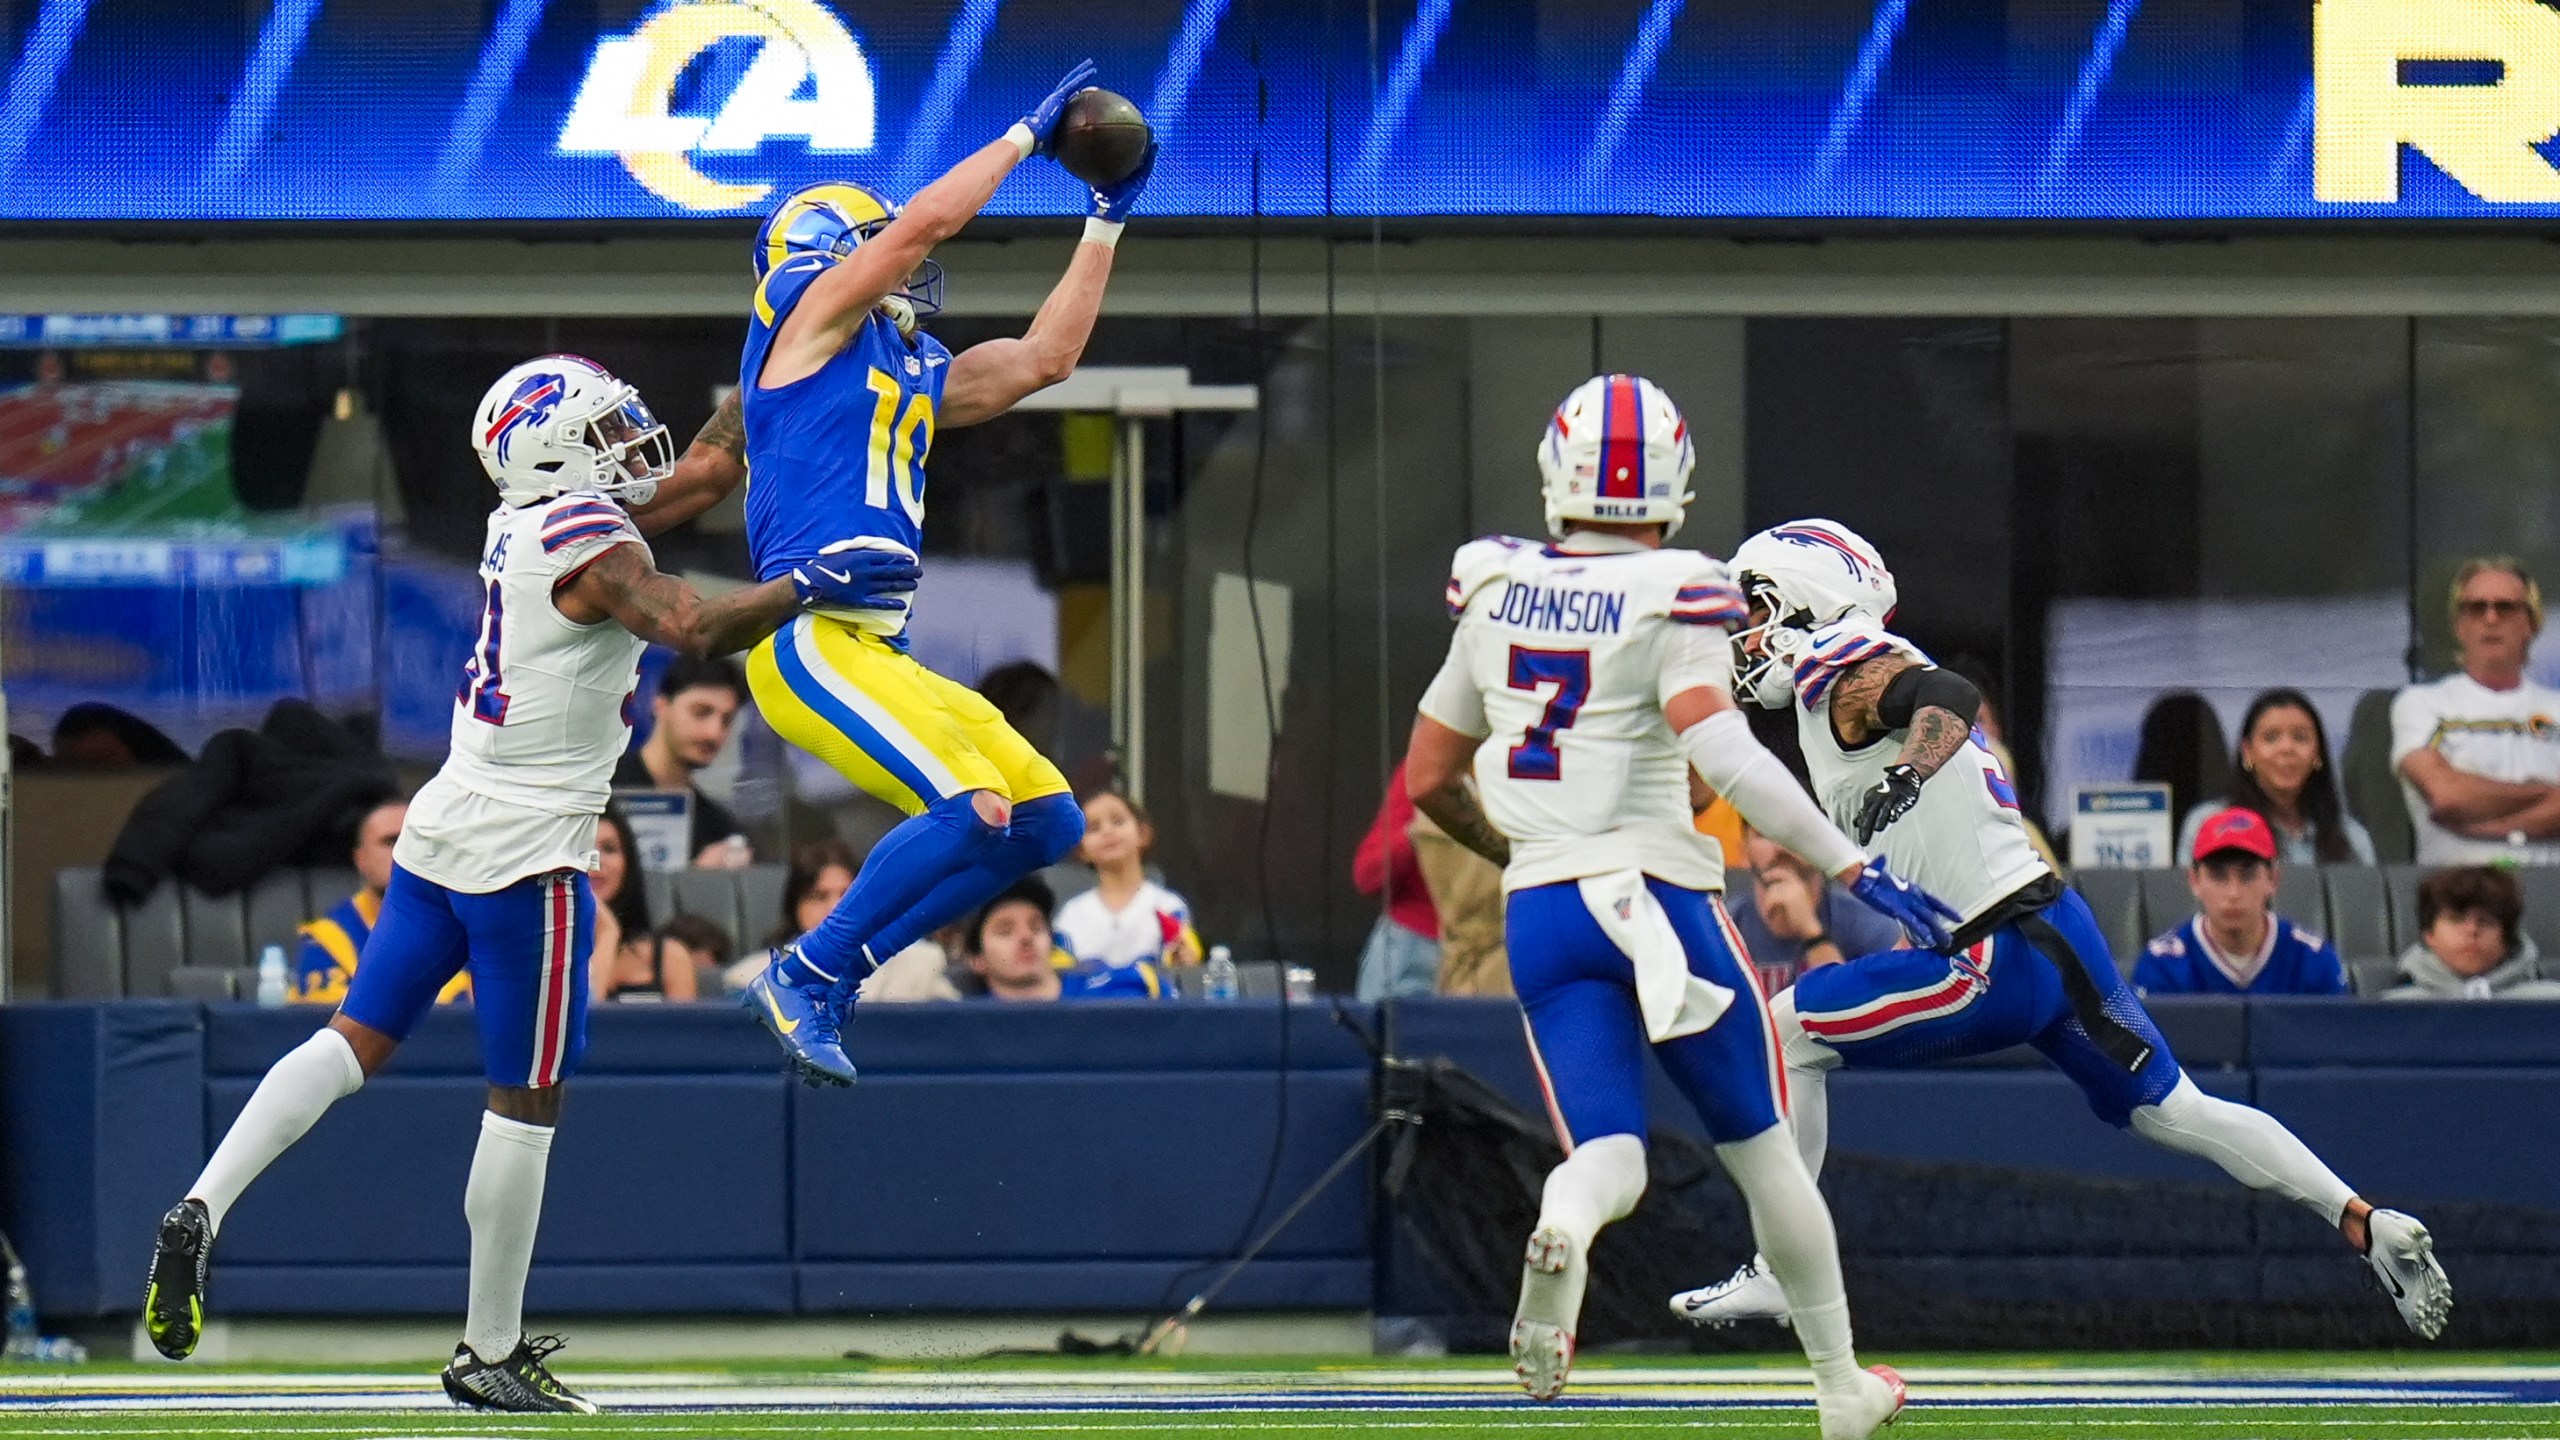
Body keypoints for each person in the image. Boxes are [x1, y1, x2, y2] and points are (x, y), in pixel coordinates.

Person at [140, 355, 915, 1413]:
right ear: (556, 454)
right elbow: (690, 626)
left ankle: (200, 1204)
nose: (630, 443)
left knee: (350, 1040)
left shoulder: (531, 519)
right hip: (533, 856)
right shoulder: (591, 548)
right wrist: (812, 582)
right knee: (524, 1102)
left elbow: (693, 475)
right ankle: (486, 1349)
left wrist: (777, 357)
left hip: (444, 823)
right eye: (606, 430)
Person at [1671, 518, 2452, 1345]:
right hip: (2054, 927)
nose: (1743, 631)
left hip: (1986, 959)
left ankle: (1782, 1272)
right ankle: (2365, 1221)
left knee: (1786, 1034)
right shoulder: (1843, 677)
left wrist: (1907, 770)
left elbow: (1945, 700)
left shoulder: (1848, 673)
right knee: (2175, 1109)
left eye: (1754, 606)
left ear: (1805, 602)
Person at [1402, 374, 1945, 1432]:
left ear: (1554, 470)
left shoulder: (1493, 584)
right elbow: (1726, 758)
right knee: (1761, 1147)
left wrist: (1512, 845)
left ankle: (1565, 1218)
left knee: (1605, 1153)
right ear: (1678, 481)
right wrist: (1848, 866)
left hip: (1545, 909)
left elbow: (1428, 777)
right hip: (1657, 897)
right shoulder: (1680, 589)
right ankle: (1839, 1384)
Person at [622, 63, 1156, 1087]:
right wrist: (1019, 136)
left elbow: (1044, 359)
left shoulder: (901, 368)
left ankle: (832, 974)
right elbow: (917, 232)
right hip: (810, 639)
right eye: (870, 252)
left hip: (877, 644)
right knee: (968, 809)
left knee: (1047, 820)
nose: (899, 272)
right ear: (827, 259)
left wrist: (1105, 219)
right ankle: (807, 970)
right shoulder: (799, 327)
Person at [2392, 557, 2560, 866]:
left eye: (2506, 607)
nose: (2491, 619)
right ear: (2459, 626)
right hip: (2459, 898)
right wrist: (2549, 795)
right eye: (2476, 608)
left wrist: (2500, 829)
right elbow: (2448, 795)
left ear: (2532, 623)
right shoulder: (2422, 703)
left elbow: (2464, 796)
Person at [2136, 808, 2348, 997]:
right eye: (2218, 876)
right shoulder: (2161, 967)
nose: (2233, 893)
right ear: (2194, 881)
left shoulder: (2314, 960)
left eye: (2247, 876)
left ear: (2273, 879)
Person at [293, 799, 469, 1006]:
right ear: (360, 859)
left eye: (416, 840)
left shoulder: (469, 931)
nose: (404, 851)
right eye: (391, 841)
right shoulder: (327, 939)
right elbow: (328, 1021)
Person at [2176, 688, 2375, 865]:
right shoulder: (2210, 824)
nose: (2287, 748)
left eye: (2300, 737)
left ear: (2318, 754)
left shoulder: (2352, 837)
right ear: (2247, 752)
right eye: (2271, 737)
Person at [750, 838, 958, 1002]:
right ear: (794, 907)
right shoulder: (753, 977)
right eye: (818, 896)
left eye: (846, 896)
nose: (834, 908)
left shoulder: (920, 965)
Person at [1729, 827, 1906, 996]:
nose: (1780, 846)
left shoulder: (1870, 923)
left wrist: (1812, 933)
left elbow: (1845, 1012)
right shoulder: (1724, 925)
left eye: (1796, 832)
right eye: (1764, 833)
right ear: (1743, 850)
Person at [613, 657, 753, 868]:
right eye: (701, 712)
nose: (713, 733)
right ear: (661, 705)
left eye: (727, 719)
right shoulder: (603, 789)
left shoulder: (718, 828)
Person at [1054, 791, 1201, 973]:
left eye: (1118, 821)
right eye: (1093, 828)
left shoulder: (1169, 907)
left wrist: (1184, 958)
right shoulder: (1071, 916)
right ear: (1081, 850)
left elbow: (1184, 968)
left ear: (1142, 834)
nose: (1107, 831)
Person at [964, 874, 1160, 1001]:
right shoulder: (965, 1030)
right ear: (977, 960)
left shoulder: (1116, 986)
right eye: (1005, 931)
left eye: (1036, 927)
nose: (1026, 937)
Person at [2382, 865, 2560, 999]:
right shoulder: (2391, 1010)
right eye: (2455, 919)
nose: (2472, 930)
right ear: (2429, 935)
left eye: (2486, 922)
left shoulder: (2550, 1004)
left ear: (2508, 938)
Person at [1353, 768, 1443, 1000]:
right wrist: (1416, 832)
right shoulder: (1425, 771)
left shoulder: (1527, 773)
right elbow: (1367, 875)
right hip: (1414, 948)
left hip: (1498, 949)